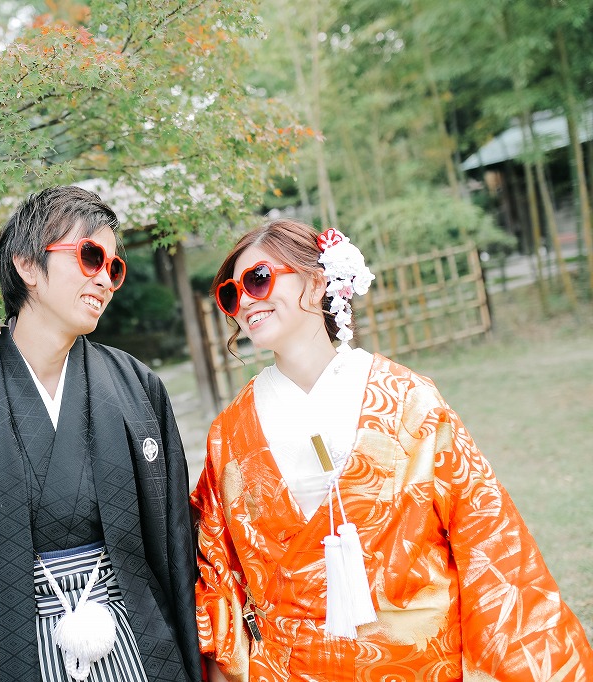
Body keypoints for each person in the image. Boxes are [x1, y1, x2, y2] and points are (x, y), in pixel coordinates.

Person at [191, 219, 593, 681]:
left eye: (258, 279)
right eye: (230, 294)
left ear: (318, 281)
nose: (245, 302)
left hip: (421, 663)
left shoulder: (407, 398)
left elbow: (484, 532)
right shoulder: (231, 431)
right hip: (291, 668)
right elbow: (217, 568)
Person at [0, 185, 201, 682]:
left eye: (114, 268)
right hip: (16, 651)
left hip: (135, 641)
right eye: (90, 256)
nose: (104, 279)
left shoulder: (135, 386)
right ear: (28, 266)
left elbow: (176, 545)